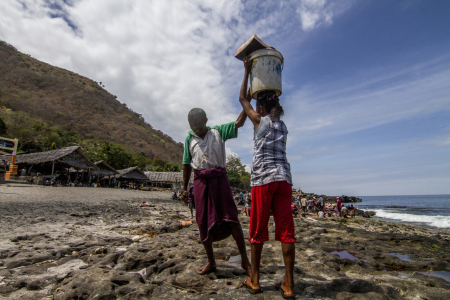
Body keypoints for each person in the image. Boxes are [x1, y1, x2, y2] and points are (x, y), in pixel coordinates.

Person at [238, 57, 296, 299]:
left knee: (257, 231)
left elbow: (243, 100)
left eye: (258, 107)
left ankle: (255, 279)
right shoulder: (282, 126)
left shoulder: (260, 123)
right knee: (286, 231)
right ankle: (289, 285)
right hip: (284, 179)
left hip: (264, 180)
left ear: (261, 109)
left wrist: (246, 72)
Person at [181, 107, 251, 276]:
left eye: (198, 124)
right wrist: (184, 188)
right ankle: (211, 262)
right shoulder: (189, 139)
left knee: (232, 218)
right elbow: (186, 164)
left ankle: (244, 260)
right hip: (201, 183)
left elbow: (239, 123)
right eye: (192, 125)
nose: (195, 128)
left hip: (220, 180)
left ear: (205, 120)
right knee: (202, 222)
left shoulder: (218, 132)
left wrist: (245, 103)